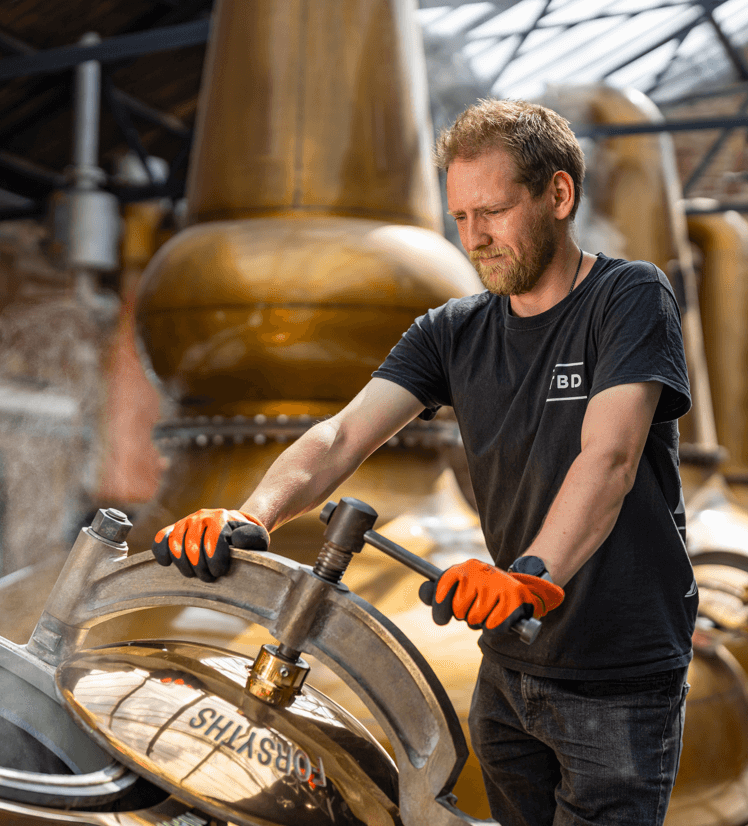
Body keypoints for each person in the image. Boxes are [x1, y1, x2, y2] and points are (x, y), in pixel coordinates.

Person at [152, 99, 698, 826]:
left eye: (495, 211)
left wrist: (529, 576)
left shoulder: (626, 297)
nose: (475, 237)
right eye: (461, 217)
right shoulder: (453, 331)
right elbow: (341, 436)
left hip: (616, 674)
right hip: (509, 667)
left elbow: (610, 457)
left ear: (558, 194)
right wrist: (254, 512)